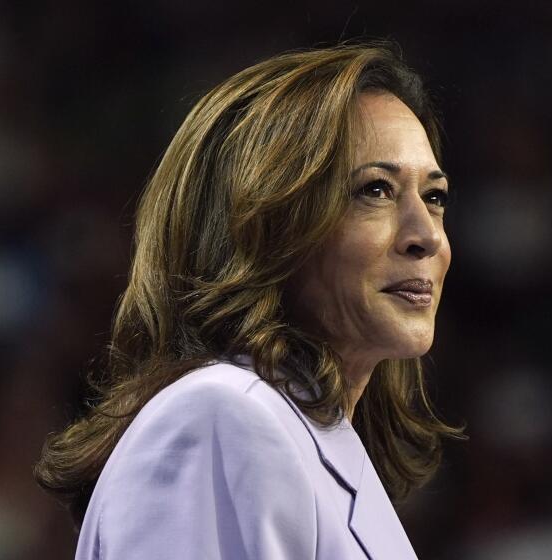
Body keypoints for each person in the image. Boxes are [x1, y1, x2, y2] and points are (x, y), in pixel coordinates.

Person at [34, 41, 465, 559]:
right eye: (375, 190)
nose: (428, 236)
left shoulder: (303, 441)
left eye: (434, 197)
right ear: (259, 226)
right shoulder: (218, 418)